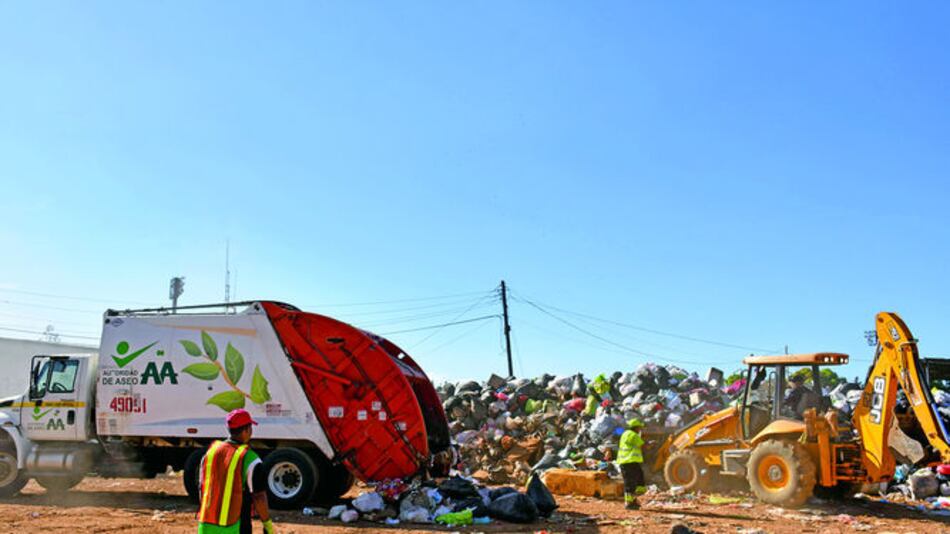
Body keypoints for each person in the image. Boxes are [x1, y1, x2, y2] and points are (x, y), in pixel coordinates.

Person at [197, 409, 274, 534]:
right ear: (246, 430)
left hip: (206, 525)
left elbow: (202, 488)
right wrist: (267, 525)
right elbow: (259, 497)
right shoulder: (250, 459)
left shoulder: (210, 453)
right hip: (235, 526)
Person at [617, 418, 646, 510]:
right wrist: (651, 444)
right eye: (639, 428)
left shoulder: (625, 434)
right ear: (635, 427)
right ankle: (629, 503)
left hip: (627, 461)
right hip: (629, 461)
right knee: (631, 482)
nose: (640, 430)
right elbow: (642, 445)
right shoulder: (633, 435)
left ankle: (633, 499)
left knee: (634, 481)